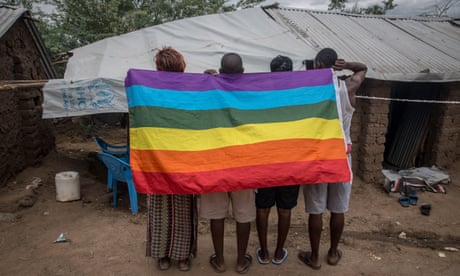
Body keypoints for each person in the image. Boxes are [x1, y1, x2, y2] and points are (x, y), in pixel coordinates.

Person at [298, 48, 367, 270]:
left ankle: (315, 256)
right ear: (336, 65)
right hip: (341, 156)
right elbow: (363, 68)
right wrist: (346, 65)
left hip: (318, 157)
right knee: (338, 209)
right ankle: (333, 252)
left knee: (316, 210)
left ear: (318, 64)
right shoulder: (348, 88)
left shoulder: (310, 92)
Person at [199, 52, 255, 274]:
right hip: (244, 164)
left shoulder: (210, 89)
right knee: (244, 213)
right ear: (242, 72)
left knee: (216, 214)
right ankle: (241, 260)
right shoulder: (251, 91)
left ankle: (220, 260)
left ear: (220, 71)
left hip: (216, 163)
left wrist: (204, 80)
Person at [146, 46, 197, 272]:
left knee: (170, 208)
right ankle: (175, 255)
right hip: (160, 156)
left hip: (180, 156)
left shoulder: (191, 89)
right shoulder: (148, 89)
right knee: (173, 207)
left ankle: (172, 255)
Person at [255, 55, 300, 266]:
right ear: (290, 72)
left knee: (263, 208)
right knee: (285, 209)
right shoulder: (299, 96)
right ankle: (278, 251)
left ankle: (263, 252)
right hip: (291, 161)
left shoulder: (261, 94)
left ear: (271, 71)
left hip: (265, 162)